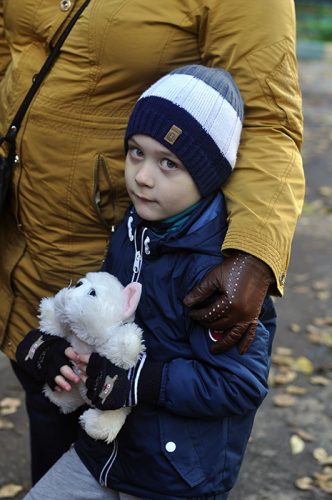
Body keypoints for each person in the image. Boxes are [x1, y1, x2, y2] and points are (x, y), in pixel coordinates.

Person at [0, 0, 304, 485]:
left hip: (104, 251)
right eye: (135, 154)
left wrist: (254, 250)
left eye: (164, 162)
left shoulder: (183, 257)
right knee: (54, 430)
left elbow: (268, 118)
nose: (143, 174)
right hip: (29, 256)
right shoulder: (129, 238)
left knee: (127, 449)